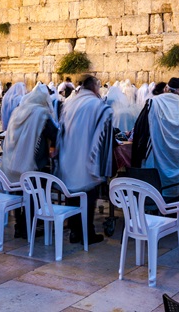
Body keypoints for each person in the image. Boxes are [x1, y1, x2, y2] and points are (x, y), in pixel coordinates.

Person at [55, 75, 113, 245]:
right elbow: (104, 132)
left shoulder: (70, 103)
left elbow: (61, 130)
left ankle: (74, 232)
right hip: (87, 159)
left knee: (72, 197)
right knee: (88, 198)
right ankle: (88, 234)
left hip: (68, 157)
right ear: (94, 87)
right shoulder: (97, 105)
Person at [1, 84, 60, 239]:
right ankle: (29, 227)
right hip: (33, 162)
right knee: (34, 194)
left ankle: (19, 225)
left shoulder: (18, 110)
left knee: (19, 193)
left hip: (14, 161)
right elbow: (55, 134)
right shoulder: (41, 114)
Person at [131, 77, 179, 198]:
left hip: (158, 157)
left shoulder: (153, 103)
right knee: (177, 194)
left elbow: (140, 130)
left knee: (157, 192)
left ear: (166, 88)